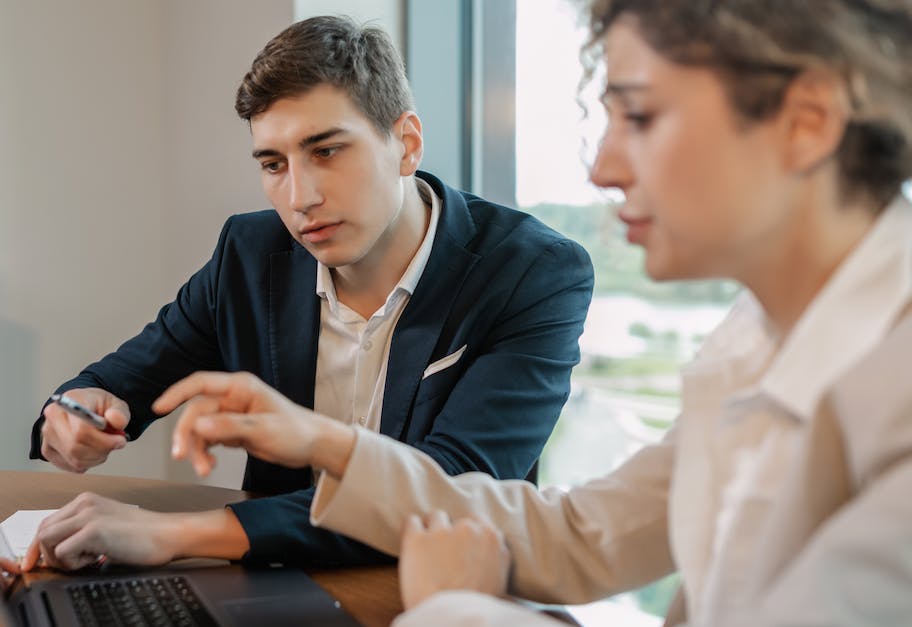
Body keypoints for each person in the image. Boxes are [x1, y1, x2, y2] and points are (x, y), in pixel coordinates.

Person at [145, 0, 912, 624]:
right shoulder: (758, 344)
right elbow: (579, 533)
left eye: (639, 117)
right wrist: (323, 440)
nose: (603, 167)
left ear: (808, 121)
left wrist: (457, 609)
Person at [25, 16, 594, 569]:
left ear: (407, 144)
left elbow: (454, 488)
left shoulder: (534, 274)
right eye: (274, 164)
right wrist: (76, 413)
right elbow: (118, 381)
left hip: (451, 593)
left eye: (326, 151)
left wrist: (177, 533)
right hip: (278, 586)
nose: (300, 198)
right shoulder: (249, 254)